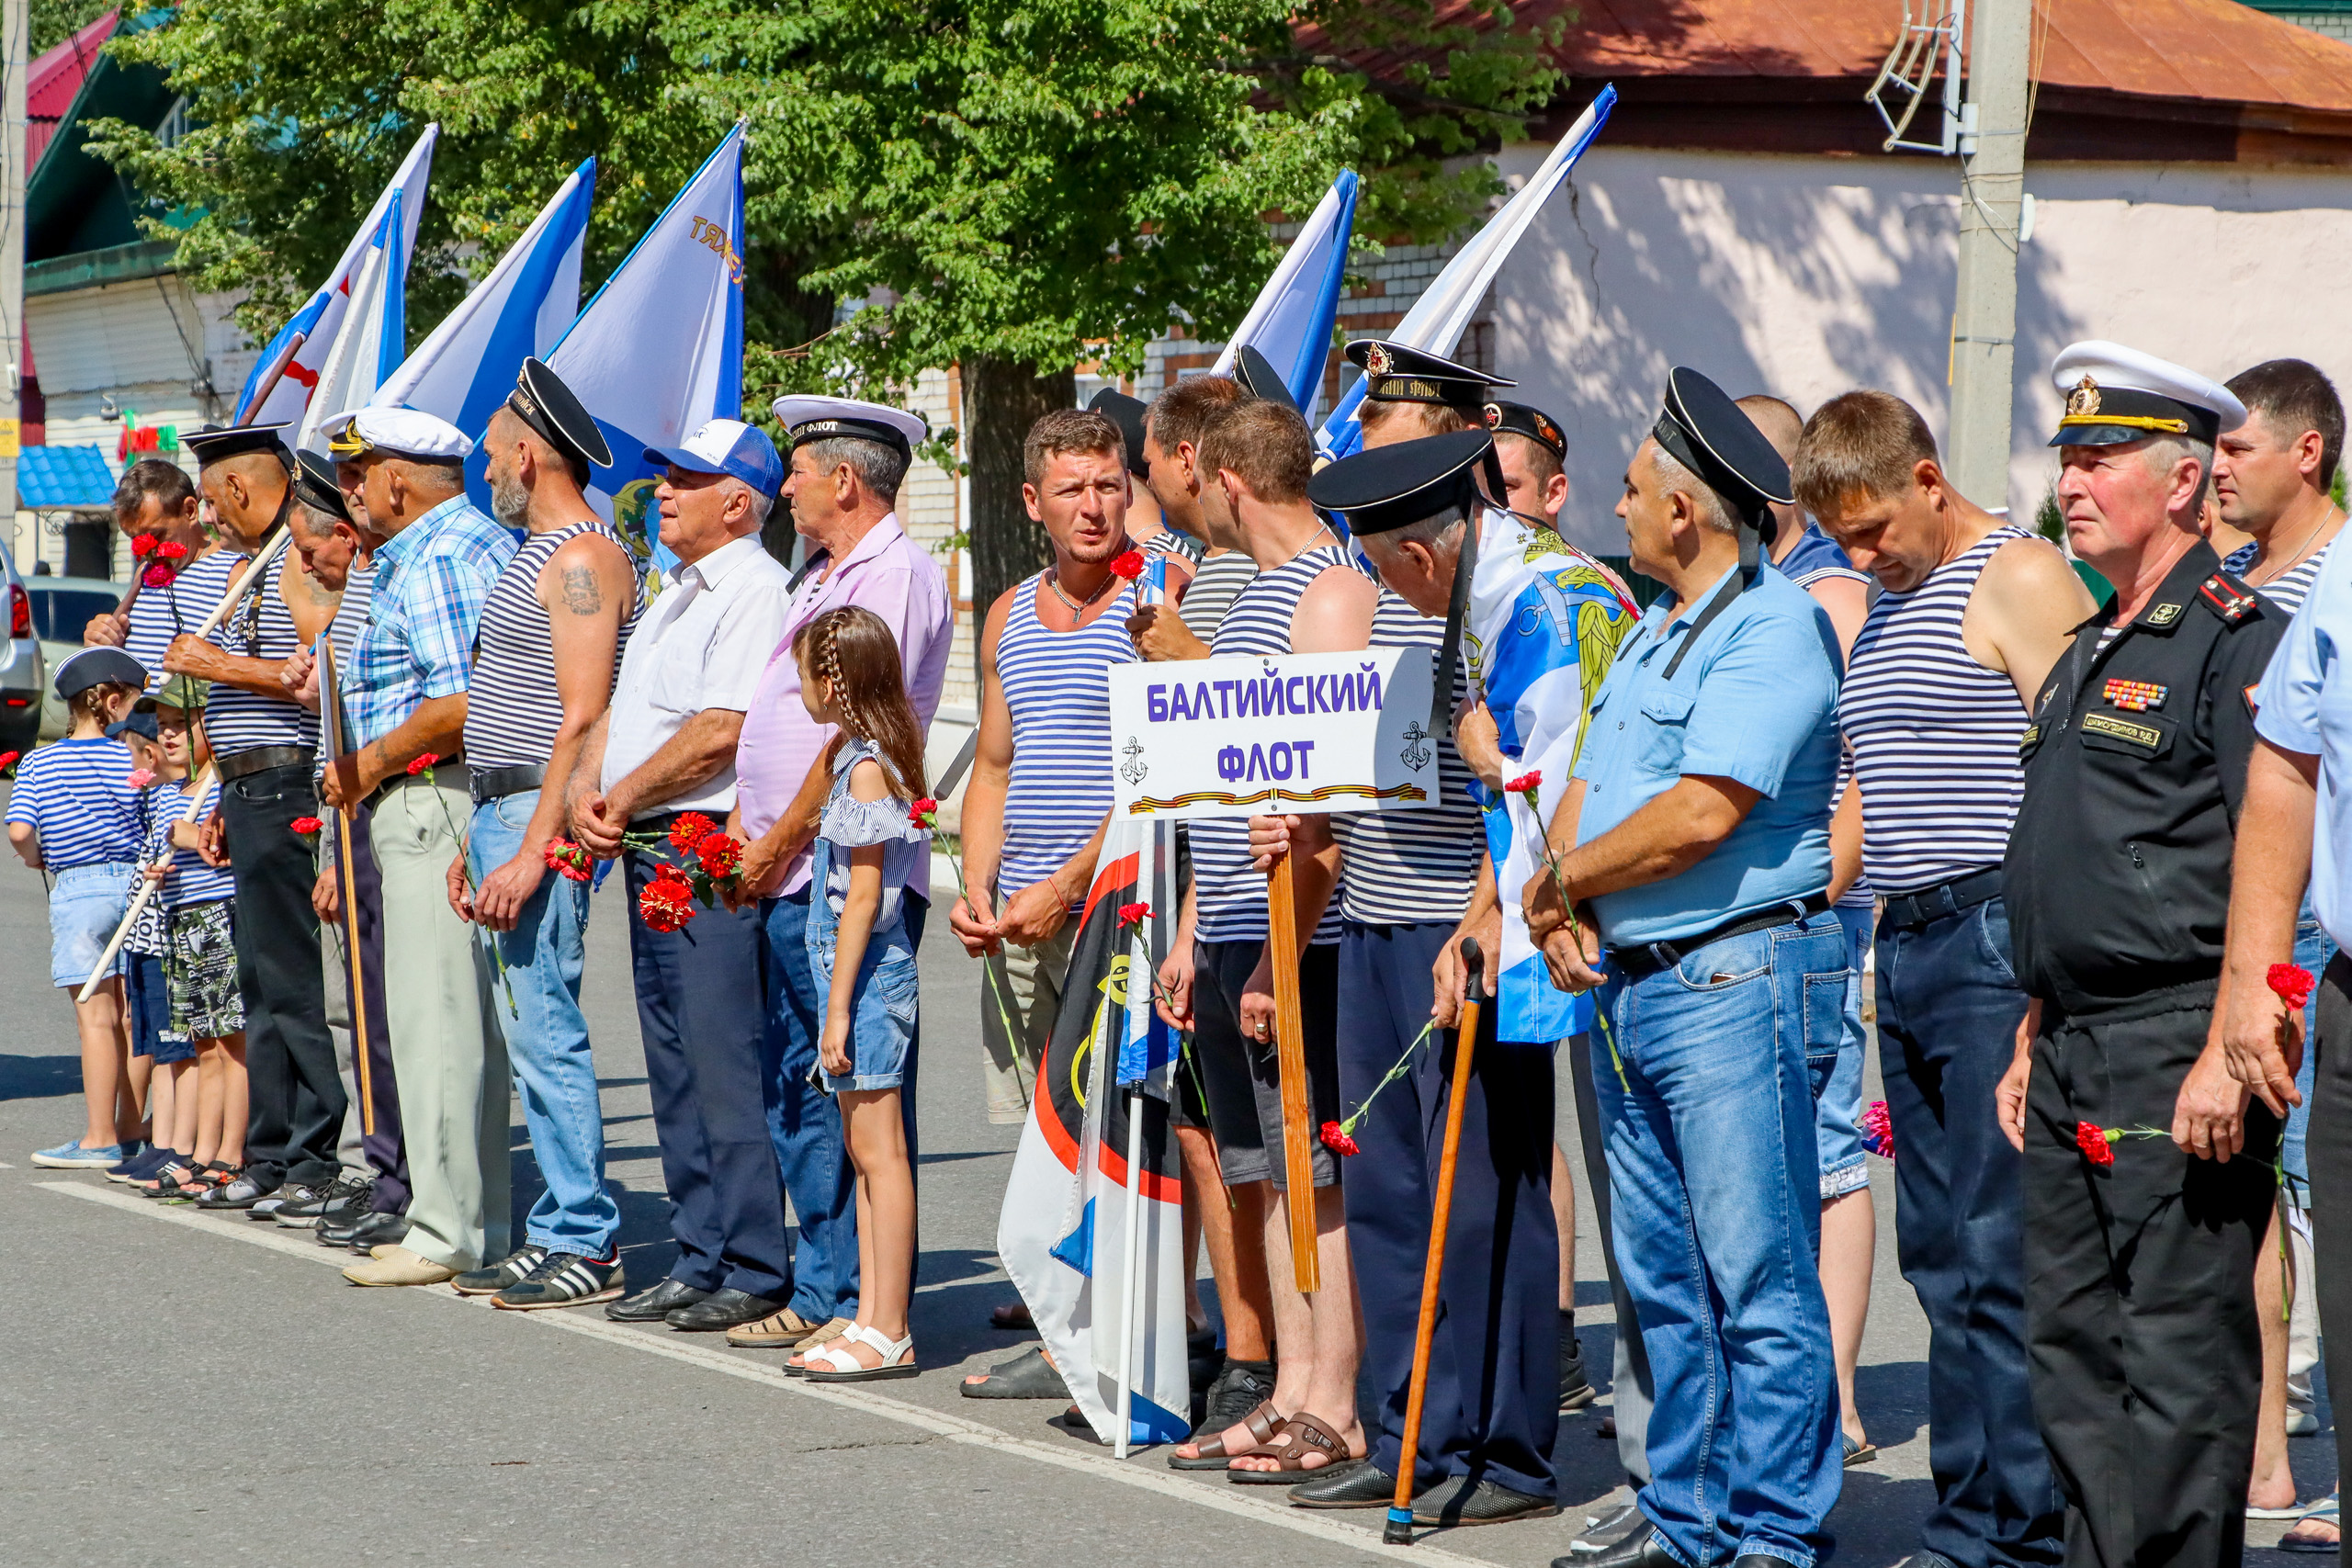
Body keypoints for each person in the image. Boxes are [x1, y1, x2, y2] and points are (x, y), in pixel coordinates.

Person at [1280, 422, 1633, 1527]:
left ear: (1422, 557)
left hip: (1513, 927)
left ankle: (1501, 1449)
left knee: (1484, 1194)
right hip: (1424, 923)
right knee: (1390, 1186)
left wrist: (1484, 918)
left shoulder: (1537, 598)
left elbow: (1550, 791)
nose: (1379, 588)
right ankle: (1411, 1436)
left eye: (1384, 567)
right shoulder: (1476, 590)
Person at [1523, 368, 1848, 1568]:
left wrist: (1565, 881)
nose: (1613, 504)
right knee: (1664, 1281)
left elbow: (1704, 810)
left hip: (1733, 974)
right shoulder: (1660, 627)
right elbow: (1594, 791)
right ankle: (1688, 1517)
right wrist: (1550, 894)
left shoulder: (1773, 625)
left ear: (1689, 512)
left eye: (1630, 485)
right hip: (1636, 979)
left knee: (1756, 1276)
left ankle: (1774, 1531)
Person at [1996, 342, 2284, 1568]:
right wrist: (2031, 1025)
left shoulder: (2232, 641)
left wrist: (2236, 1039)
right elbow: (2068, 856)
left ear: (2182, 482)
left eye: (2101, 456)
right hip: (2071, 1038)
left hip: (2179, 1035)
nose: (2073, 478)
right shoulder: (2086, 647)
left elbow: (2273, 860)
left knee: (2173, 1356)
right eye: (2068, 456)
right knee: (2069, 1346)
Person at [1795, 388, 2086, 1568]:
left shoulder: (2014, 576)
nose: (1862, 556)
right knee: (1941, 1251)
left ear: (1925, 476)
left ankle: (2014, 1532)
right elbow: (1871, 792)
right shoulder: (1889, 604)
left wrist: (2041, 971)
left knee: (1997, 1243)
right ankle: (1972, 1515)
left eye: (1871, 531)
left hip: (1987, 936)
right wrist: (1786, 895)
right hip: (1904, 940)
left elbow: (2076, 776)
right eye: (1839, 542)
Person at [1158, 396, 1374, 1481]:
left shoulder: (1328, 589)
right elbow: (1227, 778)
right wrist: (1199, 930)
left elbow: (1320, 798)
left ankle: (1332, 1397)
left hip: (1305, 927)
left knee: (1308, 1175)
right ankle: (1291, 1388)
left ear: (1228, 480)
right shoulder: (1252, 595)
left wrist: (1282, 952)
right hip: (1238, 923)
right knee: (1266, 1173)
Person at [408, 390, 643, 1312]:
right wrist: (484, 836)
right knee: (527, 1027)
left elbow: (583, 716)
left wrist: (535, 849)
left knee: (545, 1029)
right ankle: (561, 1224)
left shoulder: (581, 556)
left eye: (498, 458)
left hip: (537, 821)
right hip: (504, 810)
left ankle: (584, 1236)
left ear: (533, 458)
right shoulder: (538, 556)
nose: (491, 474)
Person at [728, 393, 950, 1354]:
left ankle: (869, 1308)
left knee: (863, 1123)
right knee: (814, 1102)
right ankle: (840, 1297)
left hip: (839, 885)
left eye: (799, 471)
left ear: (846, 481)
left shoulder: (890, 574)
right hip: (803, 881)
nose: (786, 486)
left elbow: (867, 717)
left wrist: (777, 840)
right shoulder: (826, 570)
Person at [574, 410, 798, 1334]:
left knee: (720, 1056)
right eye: (665, 475)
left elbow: (722, 728)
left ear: (739, 504)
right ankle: (700, 1250)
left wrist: (619, 794)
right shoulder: (680, 586)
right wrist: (604, 795)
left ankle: (751, 1260)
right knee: (669, 1056)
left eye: (686, 479)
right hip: (648, 832)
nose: (662, 490)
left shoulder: (753, 587)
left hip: (700, 839)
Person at [317, 403, 517, 1281]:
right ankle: (471, 1222)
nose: (349, 493)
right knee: (454, 1027)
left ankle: (445, 1230)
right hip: (436, 799)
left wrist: (364, 764)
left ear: (398, 478)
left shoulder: (441, 556)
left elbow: (463, 703)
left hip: (432, 797)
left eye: (357, 475)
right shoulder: (441, 549)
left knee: (437, 1026)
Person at [2210, 359, 2345, 1527]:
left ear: (2307, 451)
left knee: (2311, 1200)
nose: (2215, 465)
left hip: (2316, 928)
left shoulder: (2325, 577)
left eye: (2236, 445)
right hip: (2254, 925)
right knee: (2262, 1195)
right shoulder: (2225, 588)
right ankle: (2265, 1455)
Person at [1739, 390, 1882, 1467]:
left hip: (1816, 907)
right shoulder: (1757, 584)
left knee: (1828, 1153)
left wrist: (1820, 892)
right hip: (1762, 907)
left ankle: (1831, 1392)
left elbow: (1845, 761)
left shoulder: (1824, 586)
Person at [164, 422, 345, 1217]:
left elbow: (320, 674)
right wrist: (212, 796)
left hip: (287, 784)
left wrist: (219, 664)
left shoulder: (298, 561)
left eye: (209, 499)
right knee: (256, 979)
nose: (205, 516)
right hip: (242, 787)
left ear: (240, 488)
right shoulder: (242, 567)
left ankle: (311, 1153)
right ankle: (268, 1152)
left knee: (291, 981)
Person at [786, 606, 932, 1381]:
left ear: (833, 678)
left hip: (870, 983)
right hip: (859, 982)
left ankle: (889, 1324)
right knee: (864, 1151)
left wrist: (837, 1007)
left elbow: (864, 899)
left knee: (881, 1154)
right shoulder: (857, 756)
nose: (800, 682)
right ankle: (871, 1317)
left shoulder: (866, 766)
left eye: (808, 668)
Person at [277, 451, 402, 1234]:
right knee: (346, 1010)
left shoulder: (365, 590)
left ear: (346, 538)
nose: (302, 561)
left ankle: (386, 1170)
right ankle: (375, 1166)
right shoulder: (350, 594)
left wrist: (339, 847)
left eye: (307, 546)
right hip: (345, 821)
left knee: (378, 1015)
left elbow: (367, 730)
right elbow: (336, 731)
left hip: (379, 818)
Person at [11, 648, 148, 1168]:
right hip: (136, 887)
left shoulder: (41, 761)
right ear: (114, 702)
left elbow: (21, 831)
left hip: (78, 889)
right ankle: (132, 1128)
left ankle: (98, 1137)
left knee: (96, 1018)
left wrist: (37, 857)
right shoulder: (134, 755)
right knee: (135, 1017)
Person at [1128, 374, 1254, 663]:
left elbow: (1289, 687)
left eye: (1149, 464)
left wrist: (1186, 652)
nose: (1148, 482)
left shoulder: (1265, 560)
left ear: (1186, 461)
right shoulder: (1210, 557)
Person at [83, 457, 220, 681]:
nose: (147, 550)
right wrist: (103, 639)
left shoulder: (230, 573)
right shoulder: (145, 574)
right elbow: (114, 651)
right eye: (135, 538)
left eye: (156, 535)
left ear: (190, 510)